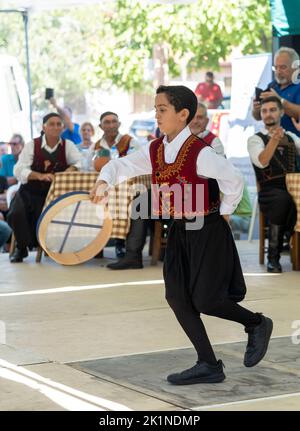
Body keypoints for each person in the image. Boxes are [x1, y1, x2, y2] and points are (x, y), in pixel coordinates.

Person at [90, 85, 273, 384]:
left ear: (182, 114)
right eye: (156, 109)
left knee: (207, 300)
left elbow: (234, 178)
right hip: (178, 230)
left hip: (207, 229)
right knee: (177, 296)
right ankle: (208, 363)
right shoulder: (155, 149)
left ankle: (256, 323)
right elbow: (121, 165)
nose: (156, 115)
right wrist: (104, 182)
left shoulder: (201, 152)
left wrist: (224, 211)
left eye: (162, 109)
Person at [7, 113, 81, 263]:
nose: (55, 127)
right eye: (51, 124)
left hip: (55, 194)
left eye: (59, 124)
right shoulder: (31, 145)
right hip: (29, 191)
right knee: (16, 213)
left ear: (62, 127)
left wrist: (68, 171)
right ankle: (21, 248)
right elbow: (18, 169)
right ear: (43, 127)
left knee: (66, 214)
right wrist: (39, 176)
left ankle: (57, 247)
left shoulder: (68, 146)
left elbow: (80, 163)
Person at [248, 96, 300, 273]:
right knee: (283, 200)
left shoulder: (292, 136)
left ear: (281, 112)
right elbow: (262, 161)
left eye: (272, 110)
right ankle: (273, 256)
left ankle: (289, 240)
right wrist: (274, 140)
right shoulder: (256, 139)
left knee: (292, 200)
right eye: (264, 111)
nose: (268, 114)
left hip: (294, 188)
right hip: (270, 191)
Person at [92, 111, 140, 259]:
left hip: (125, 185)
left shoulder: (131, 142)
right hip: (104, 184)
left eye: (114, 121)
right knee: (95, 201)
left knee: (122, 201)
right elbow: (88, 165)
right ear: (101, 126)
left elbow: (136, 163)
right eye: (107, 122)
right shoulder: (96, 146)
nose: (111, 125)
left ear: (119, 124)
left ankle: (120, 242)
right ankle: (96, 244)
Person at [252, 47, 300, 137]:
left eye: (283, 67)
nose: (278, 72)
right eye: (276, 67)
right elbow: (257, 117)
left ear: (296, 68)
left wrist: (280, 101)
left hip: (295, 145)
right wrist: (256, 108)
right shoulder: (272, 85)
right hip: (272, 143)